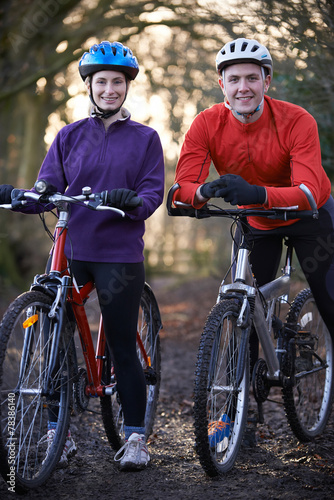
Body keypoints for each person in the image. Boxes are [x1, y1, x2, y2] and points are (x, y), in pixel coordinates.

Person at [0, 41, 165, 470]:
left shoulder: (146, 138)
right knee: (55, 338)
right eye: (101, 82)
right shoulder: (69, 136)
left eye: (117, 82)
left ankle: (134, 438)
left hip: (119, 253)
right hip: (72, 247)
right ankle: (58, 430)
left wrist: (131, 200)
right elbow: (47, 189)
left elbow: (151, 194)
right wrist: (21, 197)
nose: (109, 89)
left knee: (123, 346)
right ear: (88, 86)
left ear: (127, 86)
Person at [173, 37, 334, 433]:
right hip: (257, 221)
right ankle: (233, 415)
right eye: (234, 79)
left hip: (309, 217)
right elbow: (182, 188)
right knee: (244, 310)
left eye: (251, 78)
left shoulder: (297, 120)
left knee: (331, 302)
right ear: (221, 84)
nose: (242, 87)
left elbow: (310, 190)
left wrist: (257, 192)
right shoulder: (207, 123)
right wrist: (203, 192)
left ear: (267, 81)